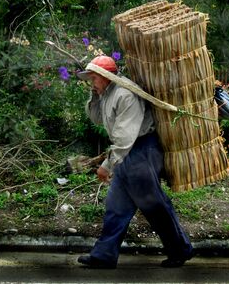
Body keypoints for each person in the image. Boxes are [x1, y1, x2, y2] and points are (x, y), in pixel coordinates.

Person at [76, 55, 193, 269]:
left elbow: (124, 136)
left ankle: (180, 249)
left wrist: (106, 165)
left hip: (141, 150)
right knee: (115, 206)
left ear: (106, 76)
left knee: (154, 205)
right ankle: (104, 255)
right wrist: (94, 95)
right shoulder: (106, 93)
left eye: (94, 78)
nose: (91, 82)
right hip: (127, 152)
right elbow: (97, 119)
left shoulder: (125, 94)